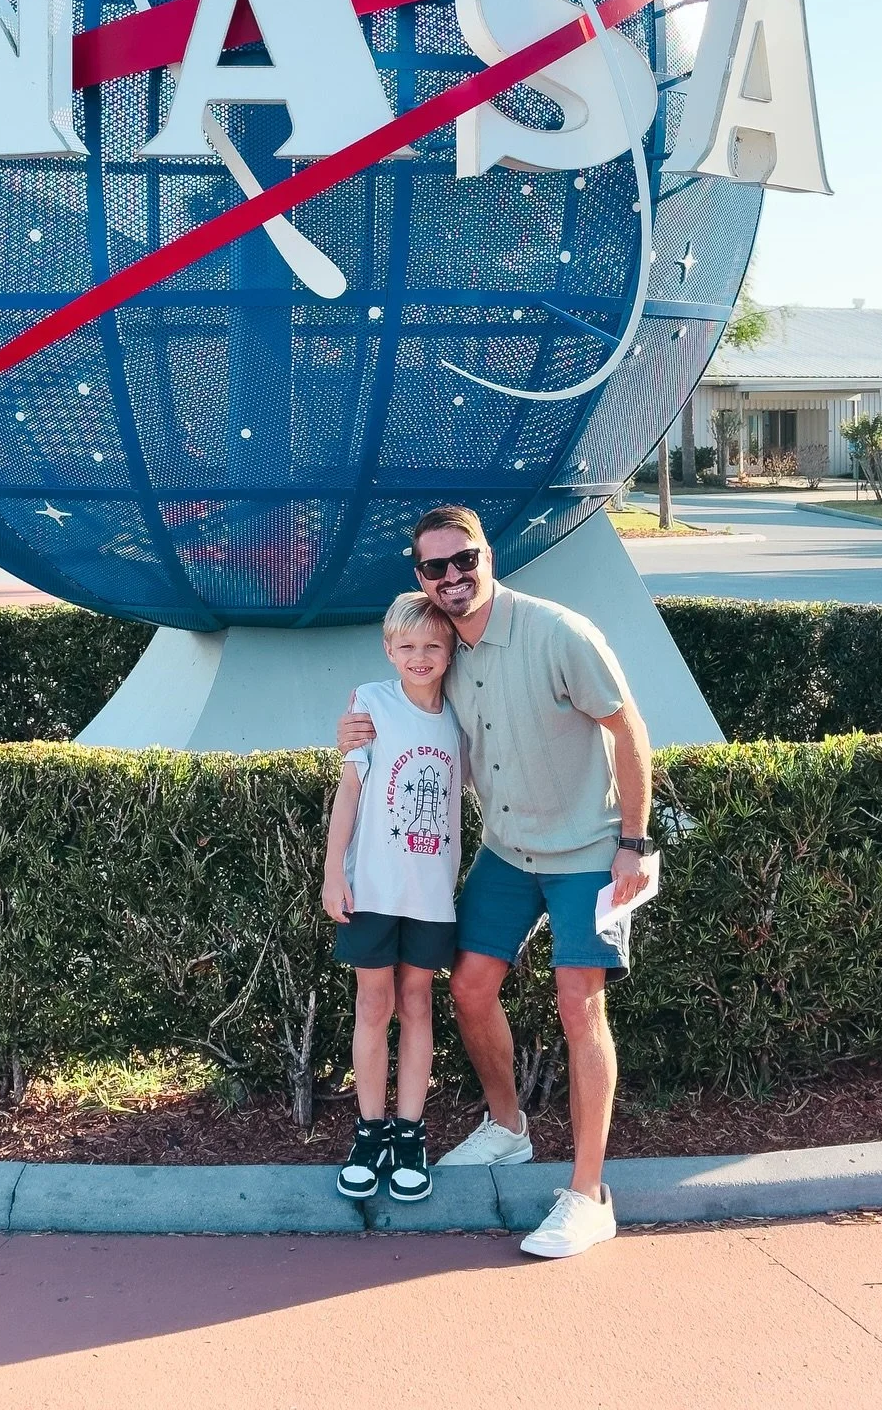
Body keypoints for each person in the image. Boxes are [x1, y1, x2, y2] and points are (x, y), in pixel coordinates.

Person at [337, 504, 654, 1259]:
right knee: (469, 987)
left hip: (587, 852)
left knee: (580, 1005)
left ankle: (587, 1195)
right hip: (508, 853)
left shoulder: (559, 633)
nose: (452, 577)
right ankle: (509, 1129)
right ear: (421, 576)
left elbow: (629, 729)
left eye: (465, 560)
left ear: (488, 555)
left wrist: (635, 845)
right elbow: (408, 714)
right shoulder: (447, 652)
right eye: (436, 567)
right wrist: (354, 732)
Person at [322, 590, 466, 1204]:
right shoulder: (370, 703)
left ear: (452, 649)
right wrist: (334, 870)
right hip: (374, 888)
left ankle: (409, 1133)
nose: (420, 656)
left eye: (433, 645)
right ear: (388, 649)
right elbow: (350, 792)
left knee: (418, 1004)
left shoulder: (463, 714)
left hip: (431, 893)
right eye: (406, 646)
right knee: (372, 1005)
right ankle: (370, 1130)